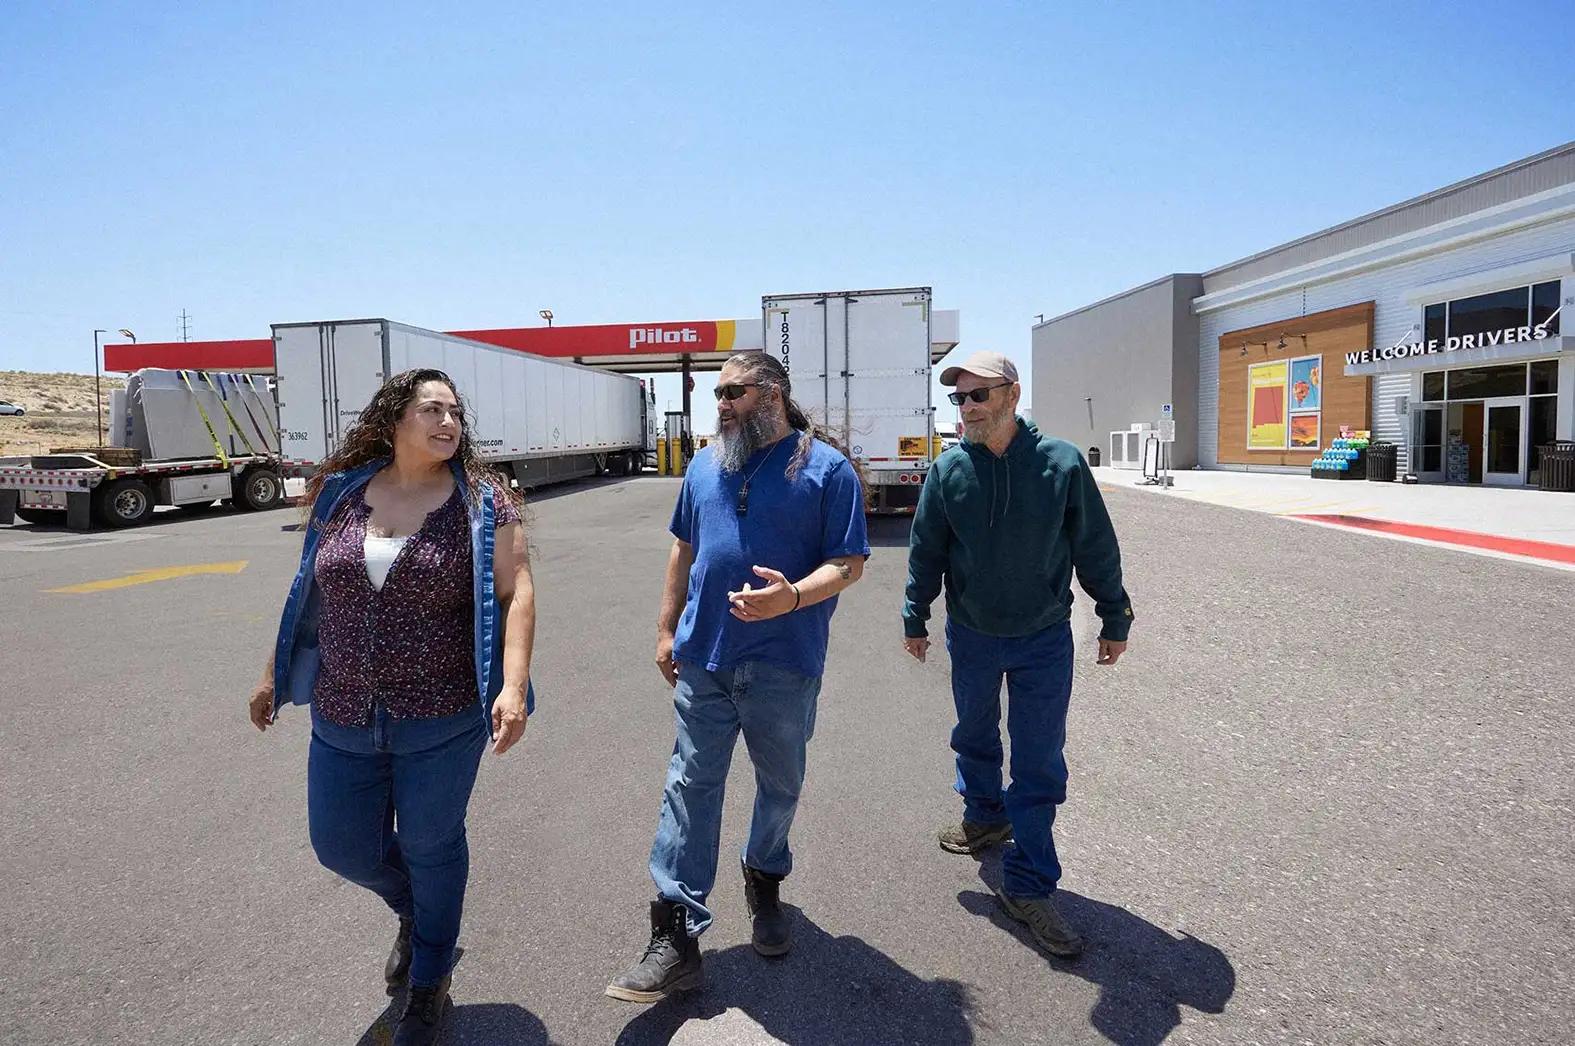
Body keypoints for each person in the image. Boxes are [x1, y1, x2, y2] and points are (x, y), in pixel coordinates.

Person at [248, 369, 535, 1046]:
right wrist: (270, 674)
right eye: (431, 410)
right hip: (342, 709)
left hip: (442, 714)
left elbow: (516, 590)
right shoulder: (341, 493)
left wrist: (514, 686)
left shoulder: (482, 501)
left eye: (455, 412)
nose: (448, 422)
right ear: (393, 420)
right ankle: (420, 914)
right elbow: (309, 591)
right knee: (341, 848)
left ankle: (430, 977)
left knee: (431, 843)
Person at [606, 351, 870, 1003]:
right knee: (689, 785)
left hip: (784, 663)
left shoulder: (825, 469)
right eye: (717, 394)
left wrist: (793, 597)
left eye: (733, 393)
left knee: (781, 787)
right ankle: (675, 932)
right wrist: (666, 629)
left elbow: (848, 563)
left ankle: (764, 877)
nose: (720, 404)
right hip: (705, 659)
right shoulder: (704, 465)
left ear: (772, 394)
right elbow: (683, 549)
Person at [902, 350, 1132, 959]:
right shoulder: (949, 471)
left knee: (1037, 762)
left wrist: (1114, 614)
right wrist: (914, 614)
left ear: (1012, 394)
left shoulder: (1060, 463)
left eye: (979, 395)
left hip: (1043, 638)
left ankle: (1028, 885)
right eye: (959, 398)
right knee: (974, 734)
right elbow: (927, 550)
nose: (968, 407)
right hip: (972, 633)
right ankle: (984, 815)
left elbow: (1095, 545)